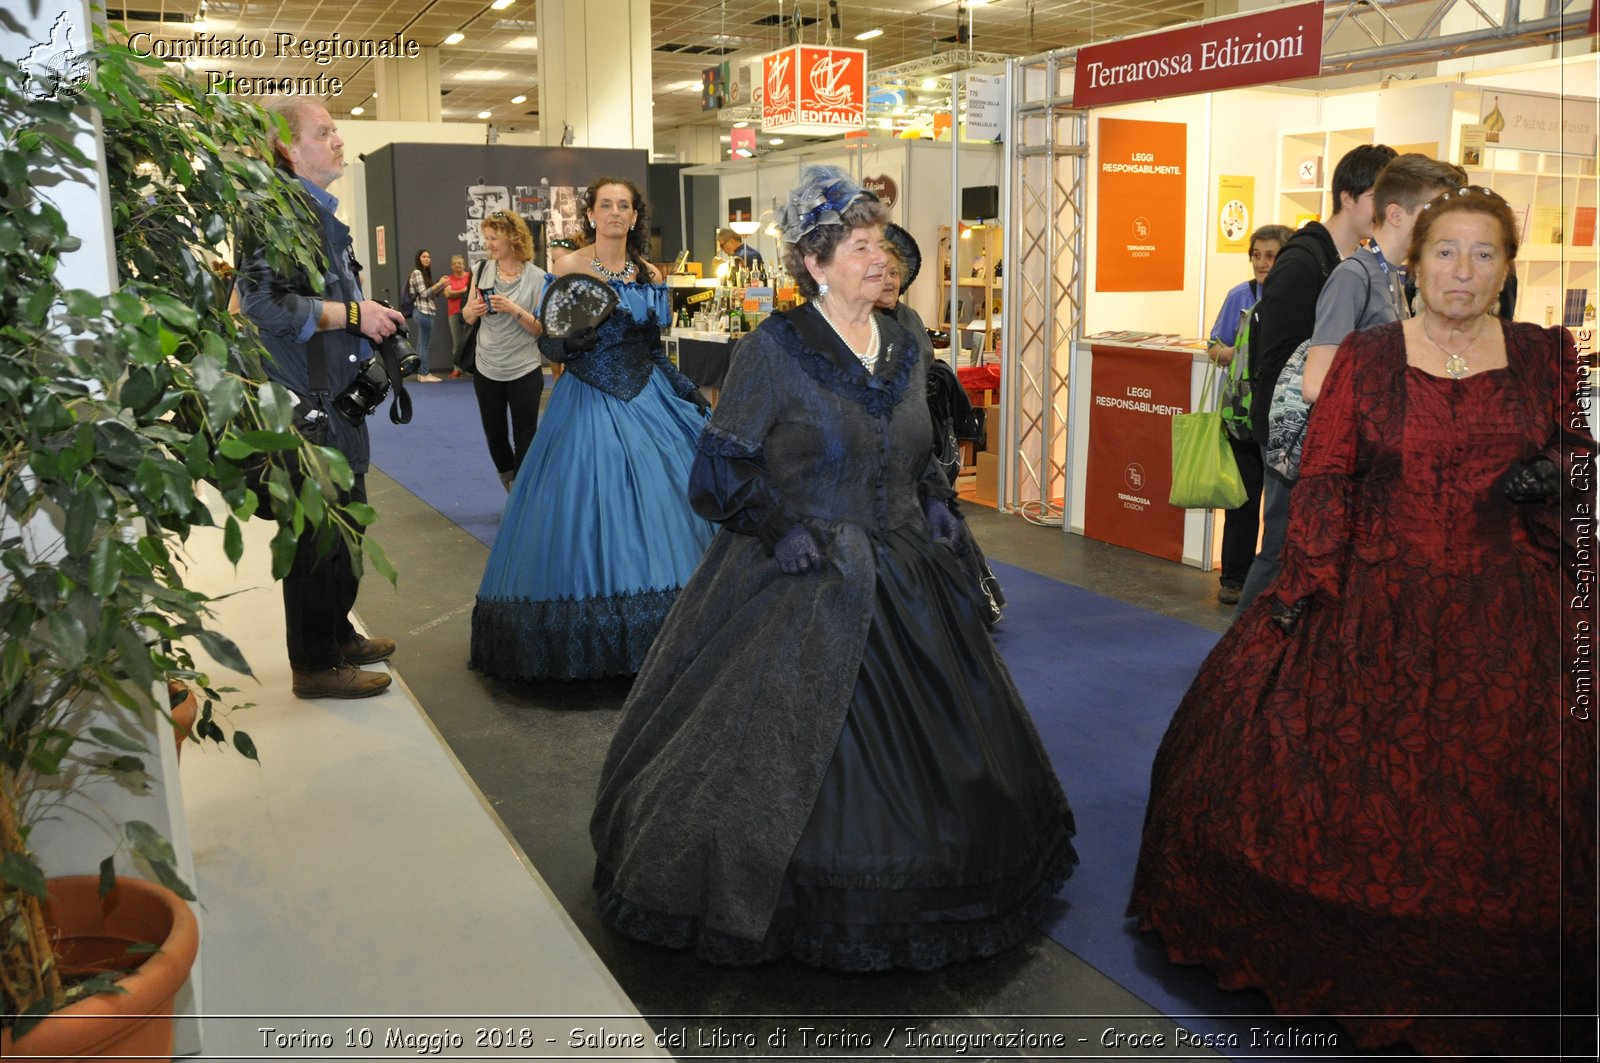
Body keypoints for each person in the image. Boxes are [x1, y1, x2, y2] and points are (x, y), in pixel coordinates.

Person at [1128, 185, 1596, 1059]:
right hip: (1373, 598)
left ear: (1506, 267)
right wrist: (1305, 584)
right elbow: (1329, 475)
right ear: (1414, 264)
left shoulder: (1545, 355)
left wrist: (1561, 479)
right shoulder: (1371, 357)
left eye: (1484, 254)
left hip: (1510, 605)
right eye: (1446, 252)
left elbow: (1575, 454)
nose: (1464, 271)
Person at [590, 166, 1076, 970]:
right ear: (815, 262)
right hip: (801, 577)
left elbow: (919, 445)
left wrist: (933, 497)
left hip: (909, 578)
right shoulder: (773, 351)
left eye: (881, 241)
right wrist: (776, 526)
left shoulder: (908, 339)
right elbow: (718, 469)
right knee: (768, 758)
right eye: (861, 245)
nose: (880, 257)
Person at [470, 177, 714, 680]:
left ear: (634, 216)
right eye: (606, 205)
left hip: (648, 396)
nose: (615, 213)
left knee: (665, 500)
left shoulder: (649, 272)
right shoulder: (570, 266)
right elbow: (553, 345)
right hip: (588, 402)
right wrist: (570, 344)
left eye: (624, 206)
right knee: (587, 508)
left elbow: (651, 348)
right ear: (591, 215)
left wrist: (683, 388)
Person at [236, 98, 402, 699]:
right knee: (316, 538)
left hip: (337, 399)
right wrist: (353, 313)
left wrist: (365, 316)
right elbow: (262, 304)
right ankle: (313, 661)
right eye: (325, 132)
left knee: (347, 526)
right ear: (287, 146)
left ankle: (336, 635)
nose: (338, 140)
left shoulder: (318, 215)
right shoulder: (269, 213)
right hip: (305, 405)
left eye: (336, 130)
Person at [1233, 143, 1396, 613]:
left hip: (1323, 430)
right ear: (1349, 196)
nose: (1386, 211)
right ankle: (1240, 654)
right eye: (1377, 197)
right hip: (1294, 431)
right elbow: (1277, 358)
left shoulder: (1356, 263)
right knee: (1281, 548)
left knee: (1302, 550)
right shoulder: (1305, 261)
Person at [877, 223, 1005, 625]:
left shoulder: (911, 318)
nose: (888, 281)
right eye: (879, 273)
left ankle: (949, 610)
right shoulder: (858, 325)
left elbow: (925, 367)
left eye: (895, 273)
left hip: (922, 440)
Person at [1299, 154, 1465, 402]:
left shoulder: (1395, 273)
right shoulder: (1353, 276)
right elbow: (1314, 386)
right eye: (1433, 213)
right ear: (1396, 215)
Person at [1206, 224, 1293, 604]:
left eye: (1270, 255)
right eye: (1256, 254)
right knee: (1241, 499)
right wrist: (1230, 353)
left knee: (1279, 505)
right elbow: (1214, 344)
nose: (1261, 262)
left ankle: (1275, 577)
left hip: (1281, 417)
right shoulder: (1239, 295)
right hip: (1242, 415)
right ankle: (1233, 578)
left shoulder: (1296, 299)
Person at [461, 210, 546, 490]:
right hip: (487, 368)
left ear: (513, 238)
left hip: (524, 369)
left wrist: (512, 309)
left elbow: (541, 329)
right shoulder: (482, 270)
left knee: (525, 437)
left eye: (494, 238)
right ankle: (510, 484)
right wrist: (472, 310)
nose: (489, 244)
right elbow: (467, 317)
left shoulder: (538, 277)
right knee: (495, 436)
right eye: (487, 238)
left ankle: (520, 493)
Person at [406, 249, 447, 382]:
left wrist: (440, 287)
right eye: (424, 256)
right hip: (422, 311)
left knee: (421, 343)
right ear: (418, 258)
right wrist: (439, 284)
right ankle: (424, 374)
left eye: (428, 256)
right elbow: (424, 294)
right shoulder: (417, 272)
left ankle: (421, 373)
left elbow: (431, 295)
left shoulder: (423, 273)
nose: (427, 259)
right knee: (424, 344)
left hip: (424, 310)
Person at [442, 253, 471, 376]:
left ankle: (471, 369)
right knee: (457, 342)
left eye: (459, 263)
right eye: (454, 264)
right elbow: (448, 294)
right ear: (451, 267)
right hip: (454, 312)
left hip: (469, 312)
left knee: (470, 340)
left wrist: (456, 292)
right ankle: (457, 369)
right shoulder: (448, 279)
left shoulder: (470, 277)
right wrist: (464, 290)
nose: (457, 265)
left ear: (464, 265)